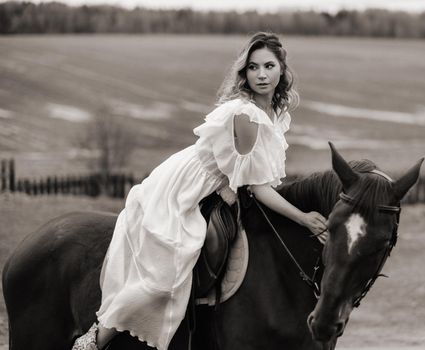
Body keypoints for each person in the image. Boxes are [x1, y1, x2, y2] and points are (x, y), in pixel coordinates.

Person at [72, 32, 328, 350]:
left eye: (269, 66)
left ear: (281, 69)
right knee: (169, 264)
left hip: (223, 183)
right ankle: (99, 336)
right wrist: (303, 218)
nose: (261, 74)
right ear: (244, 73)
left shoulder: (274, 112)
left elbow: (255, 178)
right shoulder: (245, 114)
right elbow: (255, 184)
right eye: (253, 67)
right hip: (193, 183)